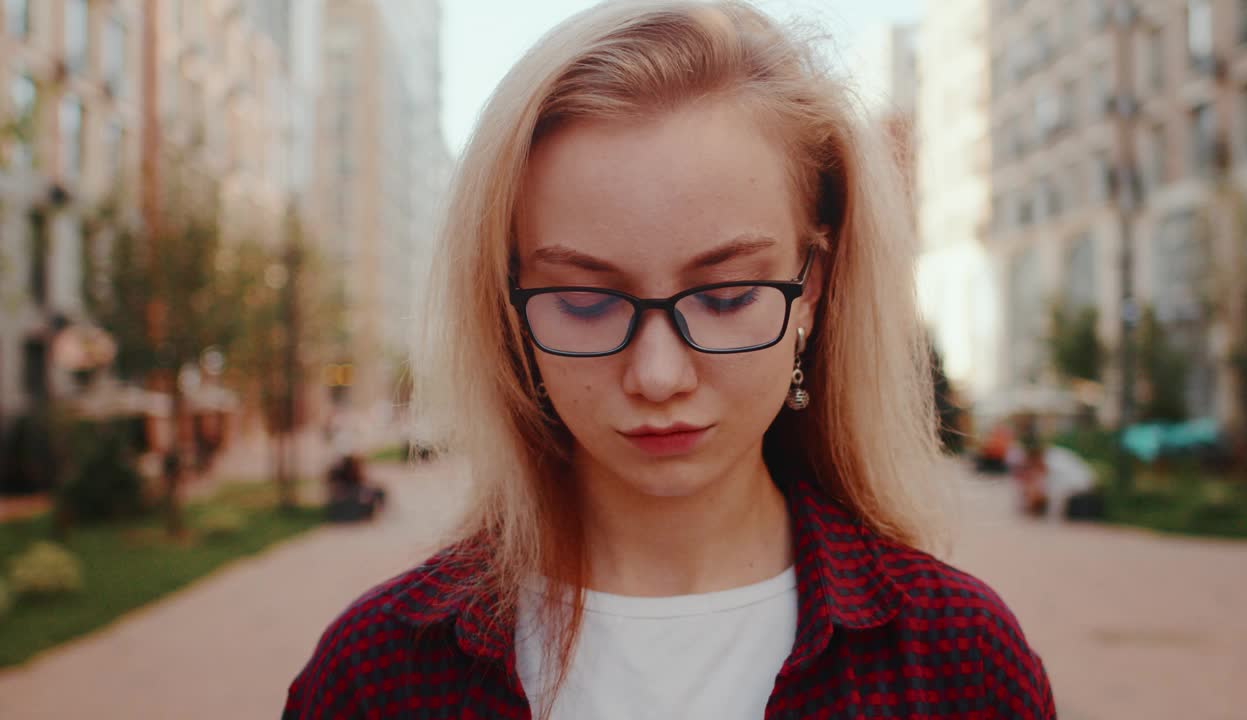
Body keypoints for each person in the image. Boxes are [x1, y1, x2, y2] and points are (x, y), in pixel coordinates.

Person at [284, 2, 1055, 718]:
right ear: (509, 303)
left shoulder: (960, 664)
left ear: (811, 287)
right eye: (585, 303)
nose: (658, 376)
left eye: (725, 297)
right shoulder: (378, 674)